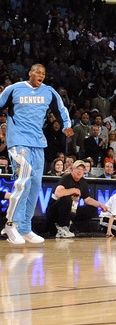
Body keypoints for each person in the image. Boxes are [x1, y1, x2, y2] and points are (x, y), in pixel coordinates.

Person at [0, 63, 73, 245]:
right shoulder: (14, 89)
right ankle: (11, 224)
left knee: (34, 185)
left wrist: (67, 125)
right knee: (23, 177)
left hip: (38, 143)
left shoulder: (48, 92)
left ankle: (25, 228)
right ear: (30, 73)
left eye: (44, 73)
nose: (41, 75)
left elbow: (61, 109)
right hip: (18, 141)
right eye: (38, 72)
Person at [46, 159, 109, 238]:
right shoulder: (66, 178)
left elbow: (87, 199)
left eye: (82, 170)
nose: (79, 171)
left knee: (92, 208)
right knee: (67, 199)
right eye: (78, 169)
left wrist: (100, 205)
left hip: (72, 210)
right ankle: (62, 228)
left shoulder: (83, 182)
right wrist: (73, 190)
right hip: (54, 212)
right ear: (72, 169)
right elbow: (58, 193)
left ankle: (73, 227)